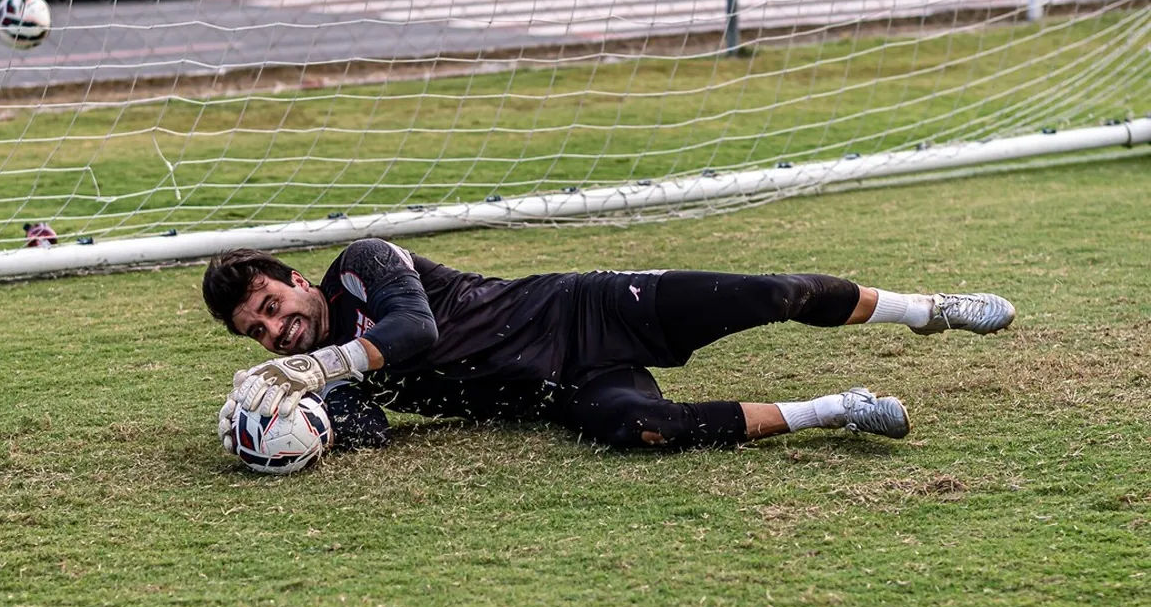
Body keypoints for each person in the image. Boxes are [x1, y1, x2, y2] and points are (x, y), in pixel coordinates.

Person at [202, 238, 1015, 453]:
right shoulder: (316, 371)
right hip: (560, 391)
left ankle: (927, 308)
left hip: (586, 308)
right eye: (259, 331)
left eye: (272, 305)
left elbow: (416, 332)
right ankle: (840, 410)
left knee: (775, 294)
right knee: (643, 429)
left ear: (298, 278)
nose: (277, 329)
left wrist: (314, 366)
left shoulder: (360, 268)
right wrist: (289, 426)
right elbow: (369, 425)